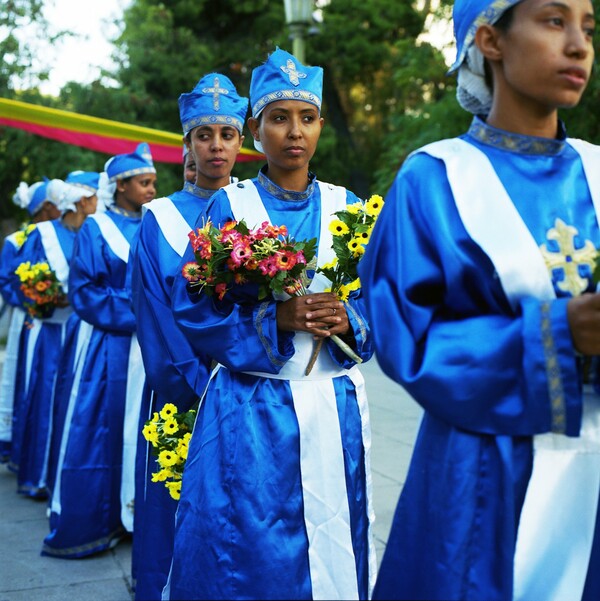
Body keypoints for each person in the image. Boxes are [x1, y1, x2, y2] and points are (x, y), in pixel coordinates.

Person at [358, 1, 600, 599]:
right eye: (553, 20)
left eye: (588, 28)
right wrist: (560, 332)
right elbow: (405, 339)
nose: (579, 46)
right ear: (490, 40)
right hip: (485, 467)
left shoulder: (597, 171)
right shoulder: (434, 179)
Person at [166, 47, 376, 601]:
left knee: (336, 530)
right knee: (252, 540)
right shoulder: (229, 207)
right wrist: (275, 316)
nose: (293, 132)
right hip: (254, 404)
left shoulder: (348, 206)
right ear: (255, 129)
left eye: (306, 118)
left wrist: (349, 318)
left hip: (334, 401)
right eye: (278, 118)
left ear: (320, 126)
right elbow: (193, 307)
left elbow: (380, 298)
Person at [129, 73, 248, 600]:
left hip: (249, 384)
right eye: (205, 135)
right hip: (184, 387)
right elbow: (155, 316)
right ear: (187, 144)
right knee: (178, 494)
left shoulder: (257, 211)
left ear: (241, 142)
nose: (216, 145)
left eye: (227, 133)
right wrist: (198, 384)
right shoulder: (158, 220)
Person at [42, 144, 156, 558]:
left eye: (153, 183)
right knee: (99, 427)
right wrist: (144, 311)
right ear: (120, 186)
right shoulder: (95, 227)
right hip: (107, 343)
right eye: (143, 183)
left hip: (148, 347)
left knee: (142, 427)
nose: (150, 189)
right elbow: (85, 291)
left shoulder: (154, 223)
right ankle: (98, 517)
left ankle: (140, 514)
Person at [9, 177, 97, 499]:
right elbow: (21, 279)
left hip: (81, 333)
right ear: (82, 201)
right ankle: (38, 475)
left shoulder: (92, 233)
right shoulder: (42, 235)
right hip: (49, 332)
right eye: (95, 196)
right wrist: (41, 296)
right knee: (45, 400)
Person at [0, 180, 61, 465]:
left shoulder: (60, 234)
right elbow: (7, 282)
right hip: (27, 318)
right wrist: (35, 298)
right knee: (22, 373)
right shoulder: (17, 240)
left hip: (52, 319)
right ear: (45, 208)